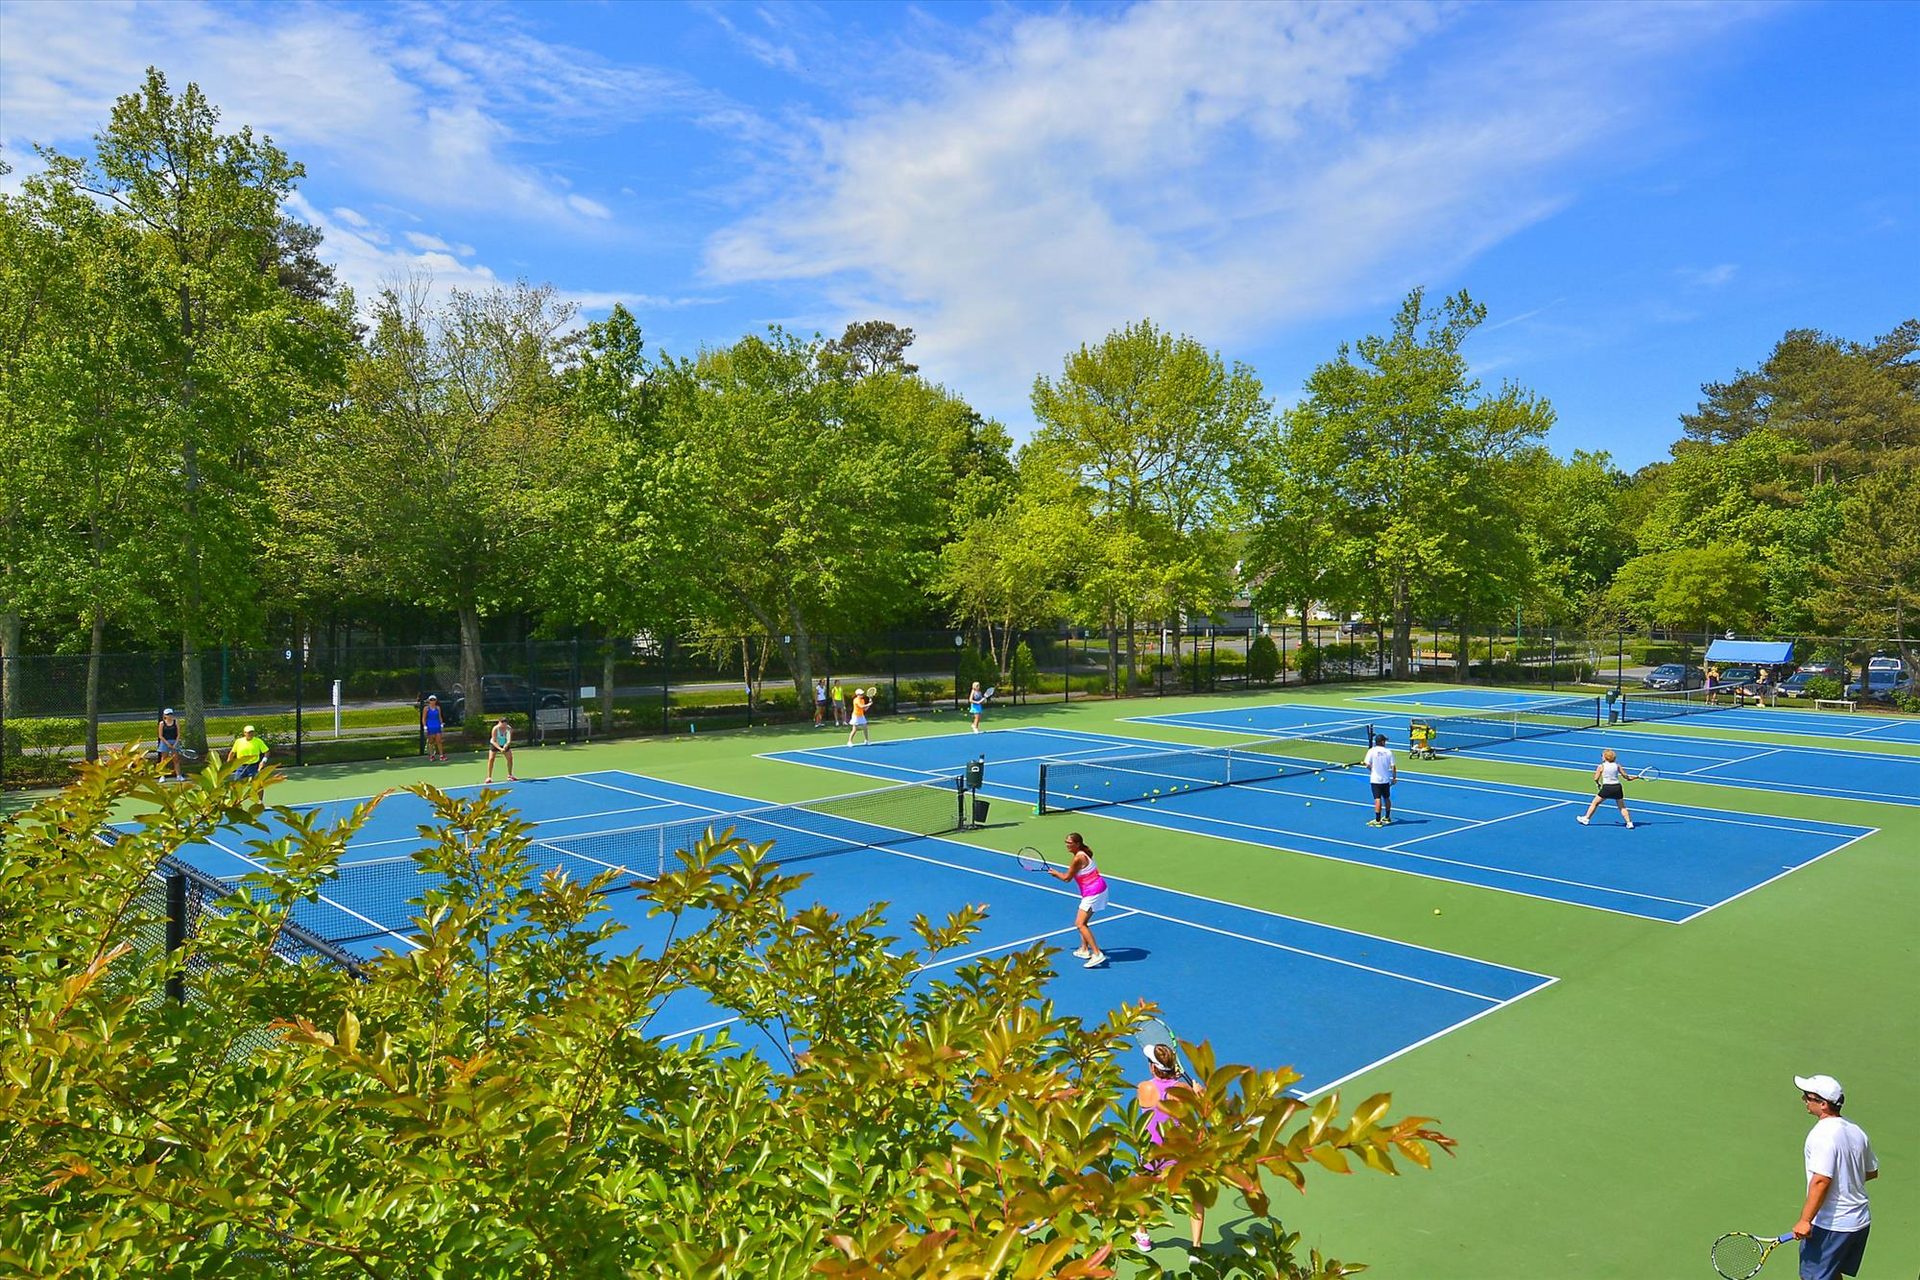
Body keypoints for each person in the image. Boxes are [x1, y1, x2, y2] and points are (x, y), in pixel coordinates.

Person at [1791, 1073, 1877, 1280]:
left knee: (1813, 1277)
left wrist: (1805, 1220)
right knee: (1832, 1273)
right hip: (1858, 1223)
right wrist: (1845, 1180)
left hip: (1832, 1226)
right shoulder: (1856, 1131)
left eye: (1808, 1097)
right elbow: (1871, 1171)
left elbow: (1821, 1181)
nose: (1803, 1099)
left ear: (1823, 1104)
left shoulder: (1822, 1135)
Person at [1132, 1042, 1204, 1251]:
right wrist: (1198, 1091)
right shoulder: (1184, 1090)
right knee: (1195, 1197)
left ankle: (1143, 1236)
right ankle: (1196, 1248)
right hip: (1178, 1155)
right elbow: (1207, 1105)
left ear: (1153, 1067)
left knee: (1139, 1191)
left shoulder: (1143, 1088)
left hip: (1152, 1155)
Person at [1044, 831, 1108, 968]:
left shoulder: (1078, 858)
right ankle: (1084, 949)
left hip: (1093, 892)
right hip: (1098, 888)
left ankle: (1097, 954)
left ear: (1077, 844)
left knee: (1080, 924)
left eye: (1069, 843)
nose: (1067, 845)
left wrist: (1055, 873)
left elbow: (1066, 878)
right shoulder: (1083, 854)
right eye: (1066, 842)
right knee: (1084, 922)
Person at [1577, 747, 1635, 828]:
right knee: (1622, 807)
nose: (1602, 757)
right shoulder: (1617, 766)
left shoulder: (1601, 766)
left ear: (1605, 757)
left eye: (1602, 756)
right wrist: (1632, 778)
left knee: (1595, 803)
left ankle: (1586, 819)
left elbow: (1596, 778)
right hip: (1617, 787)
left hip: (1607, 788)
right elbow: (1626, 777)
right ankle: (1629, 823)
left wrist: (1598, 783)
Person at [1363, 733, 1396, 827]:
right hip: (1386, 779)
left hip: (1375, 779)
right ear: (1382, 742)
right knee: (1386, 798)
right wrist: (1394, 777)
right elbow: (1393, 766)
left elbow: (1367, 764)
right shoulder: (1389, 752)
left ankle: (1378, 821)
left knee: (1377, 799)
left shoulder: (1371, 751)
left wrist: (1372, 770)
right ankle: (1387, 817)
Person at [156, 708, 185, 780]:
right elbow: (160, 736)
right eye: (167, 714)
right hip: (164, 742)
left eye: (171, 714)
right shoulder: (162, 723)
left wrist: (175, 744)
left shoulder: (176, 722)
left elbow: (178, 734)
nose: (169, 716)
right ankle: (162, 776)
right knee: (164, 760)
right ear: (164, 715)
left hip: (174, 741)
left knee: (176, 759)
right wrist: (168, 744)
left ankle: (179, 776)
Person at [485, 716, 517, 783]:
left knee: (510, 758)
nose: (504, 725)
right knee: (491, 759)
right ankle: (489, 777)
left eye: (505, 723)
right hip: (495, 744)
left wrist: (506, 745)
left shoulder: (509, 729)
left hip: (504, 743)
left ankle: (510, 775)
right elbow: (494, 741)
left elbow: (508, 740)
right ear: (499, 722)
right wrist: (500, 748)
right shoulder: (495, 729)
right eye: (502, 723)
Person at [422, 694, 447, 762]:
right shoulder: (426, 708)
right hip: (430, 727)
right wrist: (425, 727)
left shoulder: (438, 708)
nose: (432, 701)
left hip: (437, 726)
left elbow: (440, 717)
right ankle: (431, 756)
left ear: (436, 701)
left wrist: (441, 725)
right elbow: (423, 718)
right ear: (429, 701)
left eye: (434, 700)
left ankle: (441, 756)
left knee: (439, 741)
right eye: (431, 700)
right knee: (431, 742)